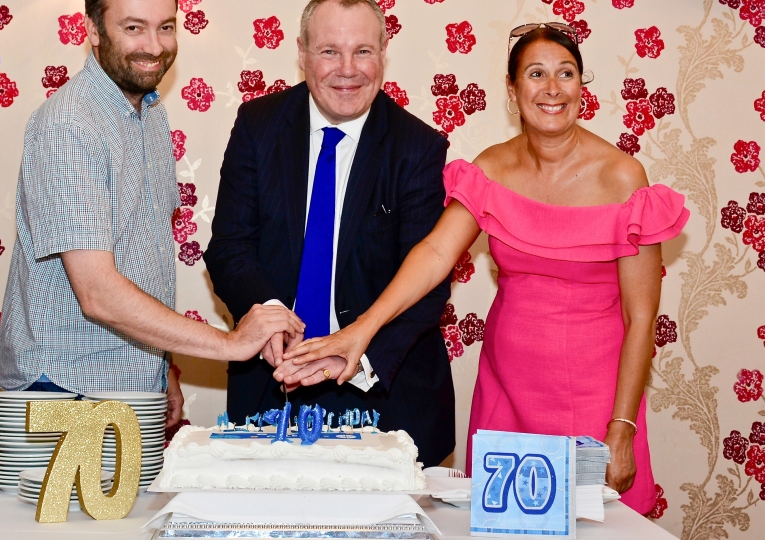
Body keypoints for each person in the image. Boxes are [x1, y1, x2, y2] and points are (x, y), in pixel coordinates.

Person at [281, 23, 689, 514]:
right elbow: (434, 253)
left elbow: (641, 318)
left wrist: (622, 427)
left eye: (566, 73)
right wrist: (360, 332)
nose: (552, 88)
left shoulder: (624, 177)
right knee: (504, 527)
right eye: (536, 74)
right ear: (514, 90)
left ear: (582, 86)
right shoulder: (491, 169)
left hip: (596, 398)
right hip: (507, 391)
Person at [0, 0, 304, 428]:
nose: (154, 46)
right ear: (93, 31)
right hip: (65, 390)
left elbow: (142, 261)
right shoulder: (69, 125)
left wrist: (164, 368)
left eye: (165, 27)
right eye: (134, 28)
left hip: (130, 382)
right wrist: (231, 343)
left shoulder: (149, 111)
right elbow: (98, 292)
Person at [204, 0, 455, 466]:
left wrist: (359, 355)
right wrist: (270, 318)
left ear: (383, 53)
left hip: (386, 394)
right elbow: (230, 247)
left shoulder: (420, 147)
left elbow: (427, 282)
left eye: (362, 51)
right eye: (328, 51)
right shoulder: (256, 125)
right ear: (301, 52)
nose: (347, 70)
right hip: (272, 386)